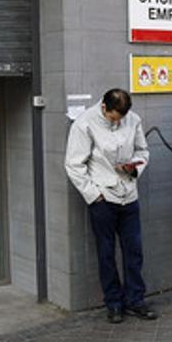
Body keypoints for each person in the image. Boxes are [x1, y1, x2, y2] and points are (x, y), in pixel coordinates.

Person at [64, 89, 157, 323]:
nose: (118, 122)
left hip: (129, 194)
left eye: (121, 118)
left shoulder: (133, 119)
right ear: (104, 108)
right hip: (103, 198)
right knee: (106, 254)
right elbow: (74, 164)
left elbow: (142, 150)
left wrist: (134, 167)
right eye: (114, 118)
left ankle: (136, 300)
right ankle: (114, 303)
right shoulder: (85, 123)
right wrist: (94, 195)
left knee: (134, 252)